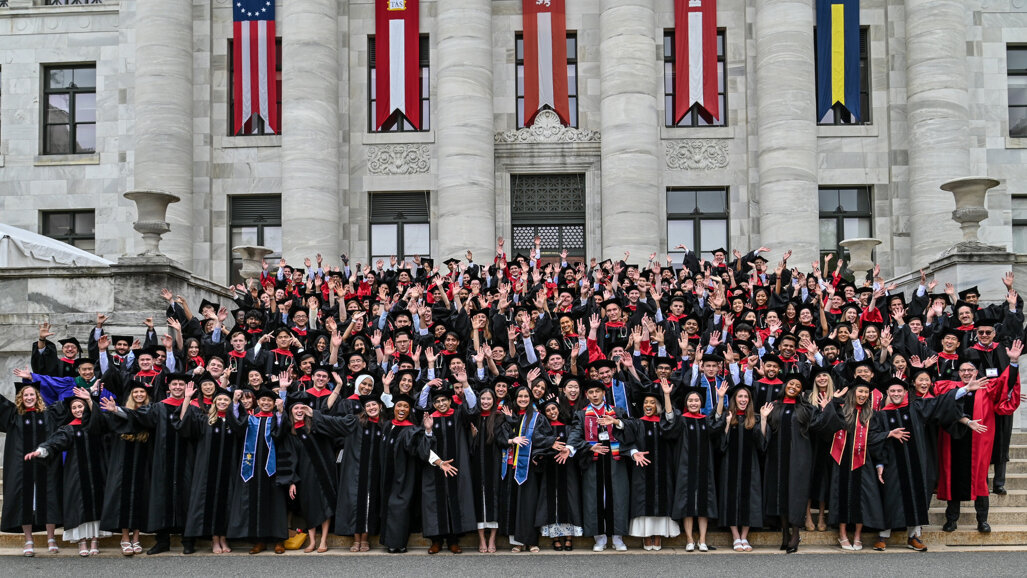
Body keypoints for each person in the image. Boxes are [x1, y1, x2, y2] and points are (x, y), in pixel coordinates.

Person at [99, 372, 198, 555]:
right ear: (168, 388)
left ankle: (188, 540)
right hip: (162, 461)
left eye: (180, 384)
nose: (177, 387)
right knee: (162, 498)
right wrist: (116, 410)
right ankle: (162, 541)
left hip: (186, 460)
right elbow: (137, 416)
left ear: (186, 388)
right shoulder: (158, 408)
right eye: (174, 384)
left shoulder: (193, 407)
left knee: (186, 497)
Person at [872, 377, 969, 552]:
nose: (896, 394)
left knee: (916, 497)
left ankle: (914, 536)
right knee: (890, 497)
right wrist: (883, 453)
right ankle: (883, 536)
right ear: (887, 393)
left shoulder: (915, 408)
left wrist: (965, 389)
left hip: (916, 462)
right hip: (892, 464)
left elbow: (939, 402)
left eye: (899, 391)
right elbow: (874, 439)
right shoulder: (880, 415)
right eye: (892, 391)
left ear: (905, 393)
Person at [934, 343, 1021, 533]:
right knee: (953, 477)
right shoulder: (949, 386)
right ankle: (952, 519)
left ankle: (982, 520)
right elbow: (936, 400)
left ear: (977, 371)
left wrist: (1013, 362)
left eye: (970, 370)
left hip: (978, 440)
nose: (966, 373)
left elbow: (1005, 384)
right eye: (963, 370)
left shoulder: (987, 387)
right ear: (958, 372)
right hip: (953, 441)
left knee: (980, 479)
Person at [25, 388, 109, 556]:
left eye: (81, 406)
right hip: (76, 473)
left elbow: (103, 420)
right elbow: (55, 442)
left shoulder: (96, 425)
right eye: (74, 408)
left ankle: (95, 540)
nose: (78, 410)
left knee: (97, 502)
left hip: (97, 472)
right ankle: (82, 542)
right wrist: (41, 450)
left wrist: (91, 400)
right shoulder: (69, 429)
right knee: (78, 504)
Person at [810, 379, 887, 551]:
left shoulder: (871, 414)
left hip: (862, 461)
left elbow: (873, 439)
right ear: (853, 393)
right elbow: (823, 426)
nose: (863, 395)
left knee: (862, 498)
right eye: (860, 391)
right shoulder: (841, 410)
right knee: (842, 496)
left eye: (866, 392)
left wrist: (888, 435)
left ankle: (858, 536)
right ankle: (843, 535)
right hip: (841, 460)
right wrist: (834, 402)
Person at [568, 380, 632, 552]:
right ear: (587, 395)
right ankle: (600, 538)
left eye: (598, 391)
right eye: (591, 392)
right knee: (594, 498)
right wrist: (587, 447)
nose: (595, 395)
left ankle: (618, 538)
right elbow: (575, 434)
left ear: (604, 393)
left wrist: (616, 422)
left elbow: (631, 429)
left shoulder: (617, 411)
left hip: (615, 458)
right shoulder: (581, 415)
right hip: (593, 459)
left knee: (617, 497)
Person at [0, 381, 61, 556]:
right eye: (25, 395)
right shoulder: (13, 415)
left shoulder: (49, 415)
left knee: (49, 498)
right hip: (21, 467)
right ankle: (29, 540)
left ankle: (51, 538)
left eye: (32, 395)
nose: (28, 397)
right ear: (20, 398)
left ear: (37, 397)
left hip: (45, 465)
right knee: (23, 501)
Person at [177, 385, 240, 554]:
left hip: (228, 470)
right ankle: (214, 540)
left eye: (225, 400)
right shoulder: (205, 420)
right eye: (219, 399)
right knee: (210, 502)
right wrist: (187, 399)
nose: (222, 402)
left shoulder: (233, 422)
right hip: (207, 470)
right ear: (214, 402)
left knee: (225, 503)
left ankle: (224, 539)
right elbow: (183, 423)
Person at [226, 387, 289, 553]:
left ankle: (279, 541)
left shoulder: (275, 418)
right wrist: (234, 403)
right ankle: (259, 540)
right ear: (258, 402)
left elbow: (281, 434)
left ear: (273, 403)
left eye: (269, 400)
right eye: (263, 400)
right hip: (253, 468)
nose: (266, 403)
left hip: (272, 468)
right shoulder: (250, 419)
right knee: (255, 503)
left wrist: (281, 412)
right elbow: (236, 426)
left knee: (275, 503)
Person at [420, 381, 479, 554]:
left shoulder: (459, 414)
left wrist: (467, 384)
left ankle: (453, 540)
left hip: (457, 464)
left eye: (444, 400)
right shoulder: (430, 418)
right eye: (437, 402)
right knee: (434, 501)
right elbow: (423, 444)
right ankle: (436, 540)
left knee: (456, 499)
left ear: (449, 401)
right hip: (434, 468)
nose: (441, 404)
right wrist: (428, 430)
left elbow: (473, 409)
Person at [98, 381, 153, 556]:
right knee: (122, 498)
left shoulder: (150, 411)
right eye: (135, 392)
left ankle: (136, 537)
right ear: (131, 395)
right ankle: (125, 537)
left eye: (141, 392)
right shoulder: (118, 412)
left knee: (140, 497)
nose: (139, 394)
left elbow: (142, 419)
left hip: (143, 462)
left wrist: (119, 411)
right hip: (122, 462)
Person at [624, 382, 681, 551]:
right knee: (644, 499)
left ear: (658, 406)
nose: (648, 405)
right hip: (643, 469)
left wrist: (666, 395)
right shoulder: (637, 423)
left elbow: (671, 418)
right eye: (645, 403)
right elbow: (628, 439)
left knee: (662, 499)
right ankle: (647, 536)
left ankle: (658, 535)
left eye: (652, 403)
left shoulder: (664, 423)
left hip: (663, 468)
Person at [497, 385, 553, 553]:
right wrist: (512, 439)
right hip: (510, 467)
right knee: (513, 504)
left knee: (529, 505)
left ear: (530, 399)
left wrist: (536, 456)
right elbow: (499, 439)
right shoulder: (508, 416)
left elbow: (544, 439)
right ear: (515, 399)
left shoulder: (537, 418)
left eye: (526, 396)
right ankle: (517, 542)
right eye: (520, 396)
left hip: (528, 468)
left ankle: (531, 541)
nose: (523, 399)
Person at [280, 397, 340, 553]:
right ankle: (312, 541)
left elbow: (332, 430)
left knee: (326, 504)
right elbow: (290, 457)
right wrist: (292, 480)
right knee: (309, 505)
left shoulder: (316, 426)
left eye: (302, 408)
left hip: (324, 471)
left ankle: (324, 541)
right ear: (291, 412)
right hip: (305, 474)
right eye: (295, 408)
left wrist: (314, 414)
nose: (299, 411)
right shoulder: (291, 433)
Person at [763, 374, 815, 553]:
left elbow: (819, 426)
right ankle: (785, 533)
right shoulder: (774, 406)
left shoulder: (805, 409)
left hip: (798, 458)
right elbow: (766, 431)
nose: (793, 387)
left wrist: (826, 408)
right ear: (785, 385)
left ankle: (795, 534)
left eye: (798, 386)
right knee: (781, 493)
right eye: (791, 383)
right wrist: (763, 418)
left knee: (796, 495)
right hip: (777, 457)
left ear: (801, 391)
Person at [668, 384, 722, 552]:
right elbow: (669, 420)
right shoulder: (682, 420)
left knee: (704, 504)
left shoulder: (705, 419)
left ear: (701, 403)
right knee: (688, 504)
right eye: (690, 400)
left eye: (696, 400)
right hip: (686, 467)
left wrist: (720, 398)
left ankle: (703, 540)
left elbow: (717, 421)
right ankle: (690, 539)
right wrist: (666, 396)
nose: (693, 403)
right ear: (686, 403)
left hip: (705, 467)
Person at [716, 384, 770, 552]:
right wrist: (725, 424)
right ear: (734, 399)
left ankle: (744, 536)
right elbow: (721, 446)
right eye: (740, 397)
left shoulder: (754, 418)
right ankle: (735, 536)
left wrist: (764, 419)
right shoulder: (728, 416)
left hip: (750, 466)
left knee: (750, 498)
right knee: (730, 497)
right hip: (729, 465)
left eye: (746, 397)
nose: (743, 400)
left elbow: (762, 446)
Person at [535, 393, 582, 551]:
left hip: (567, 468)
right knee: (551, 501)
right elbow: (537, 445)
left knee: (569, 498)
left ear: (558, 409)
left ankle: (569, 537)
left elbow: (577, 443)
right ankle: (555, 537)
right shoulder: (542, 429)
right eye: (547, 410)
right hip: (549, 468)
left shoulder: (568, 427)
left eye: (553, 408)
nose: (551, 412)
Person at [378, 392, 423, 553]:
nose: (402, 409)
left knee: (400, 507)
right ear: (394, 408)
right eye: (399, 406)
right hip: (387, 475)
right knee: (388, 506)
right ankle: (388, 541)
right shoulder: (387, 425)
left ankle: (399, 543)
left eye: (405, 406)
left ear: (410, 410)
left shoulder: (412, 429)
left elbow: (417, 450)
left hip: (404, 475)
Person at [470, 388, 505, 553]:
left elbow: (502, 440)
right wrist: (473, 436)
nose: (485, 402)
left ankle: (492, 538)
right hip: (476, 463)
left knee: (494, 496)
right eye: (482, 399)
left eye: (488, 399)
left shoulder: (499, 417)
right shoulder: (474, 418)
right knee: (479, 498)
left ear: (494, 401)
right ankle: (481, 538)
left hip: (494, 462)